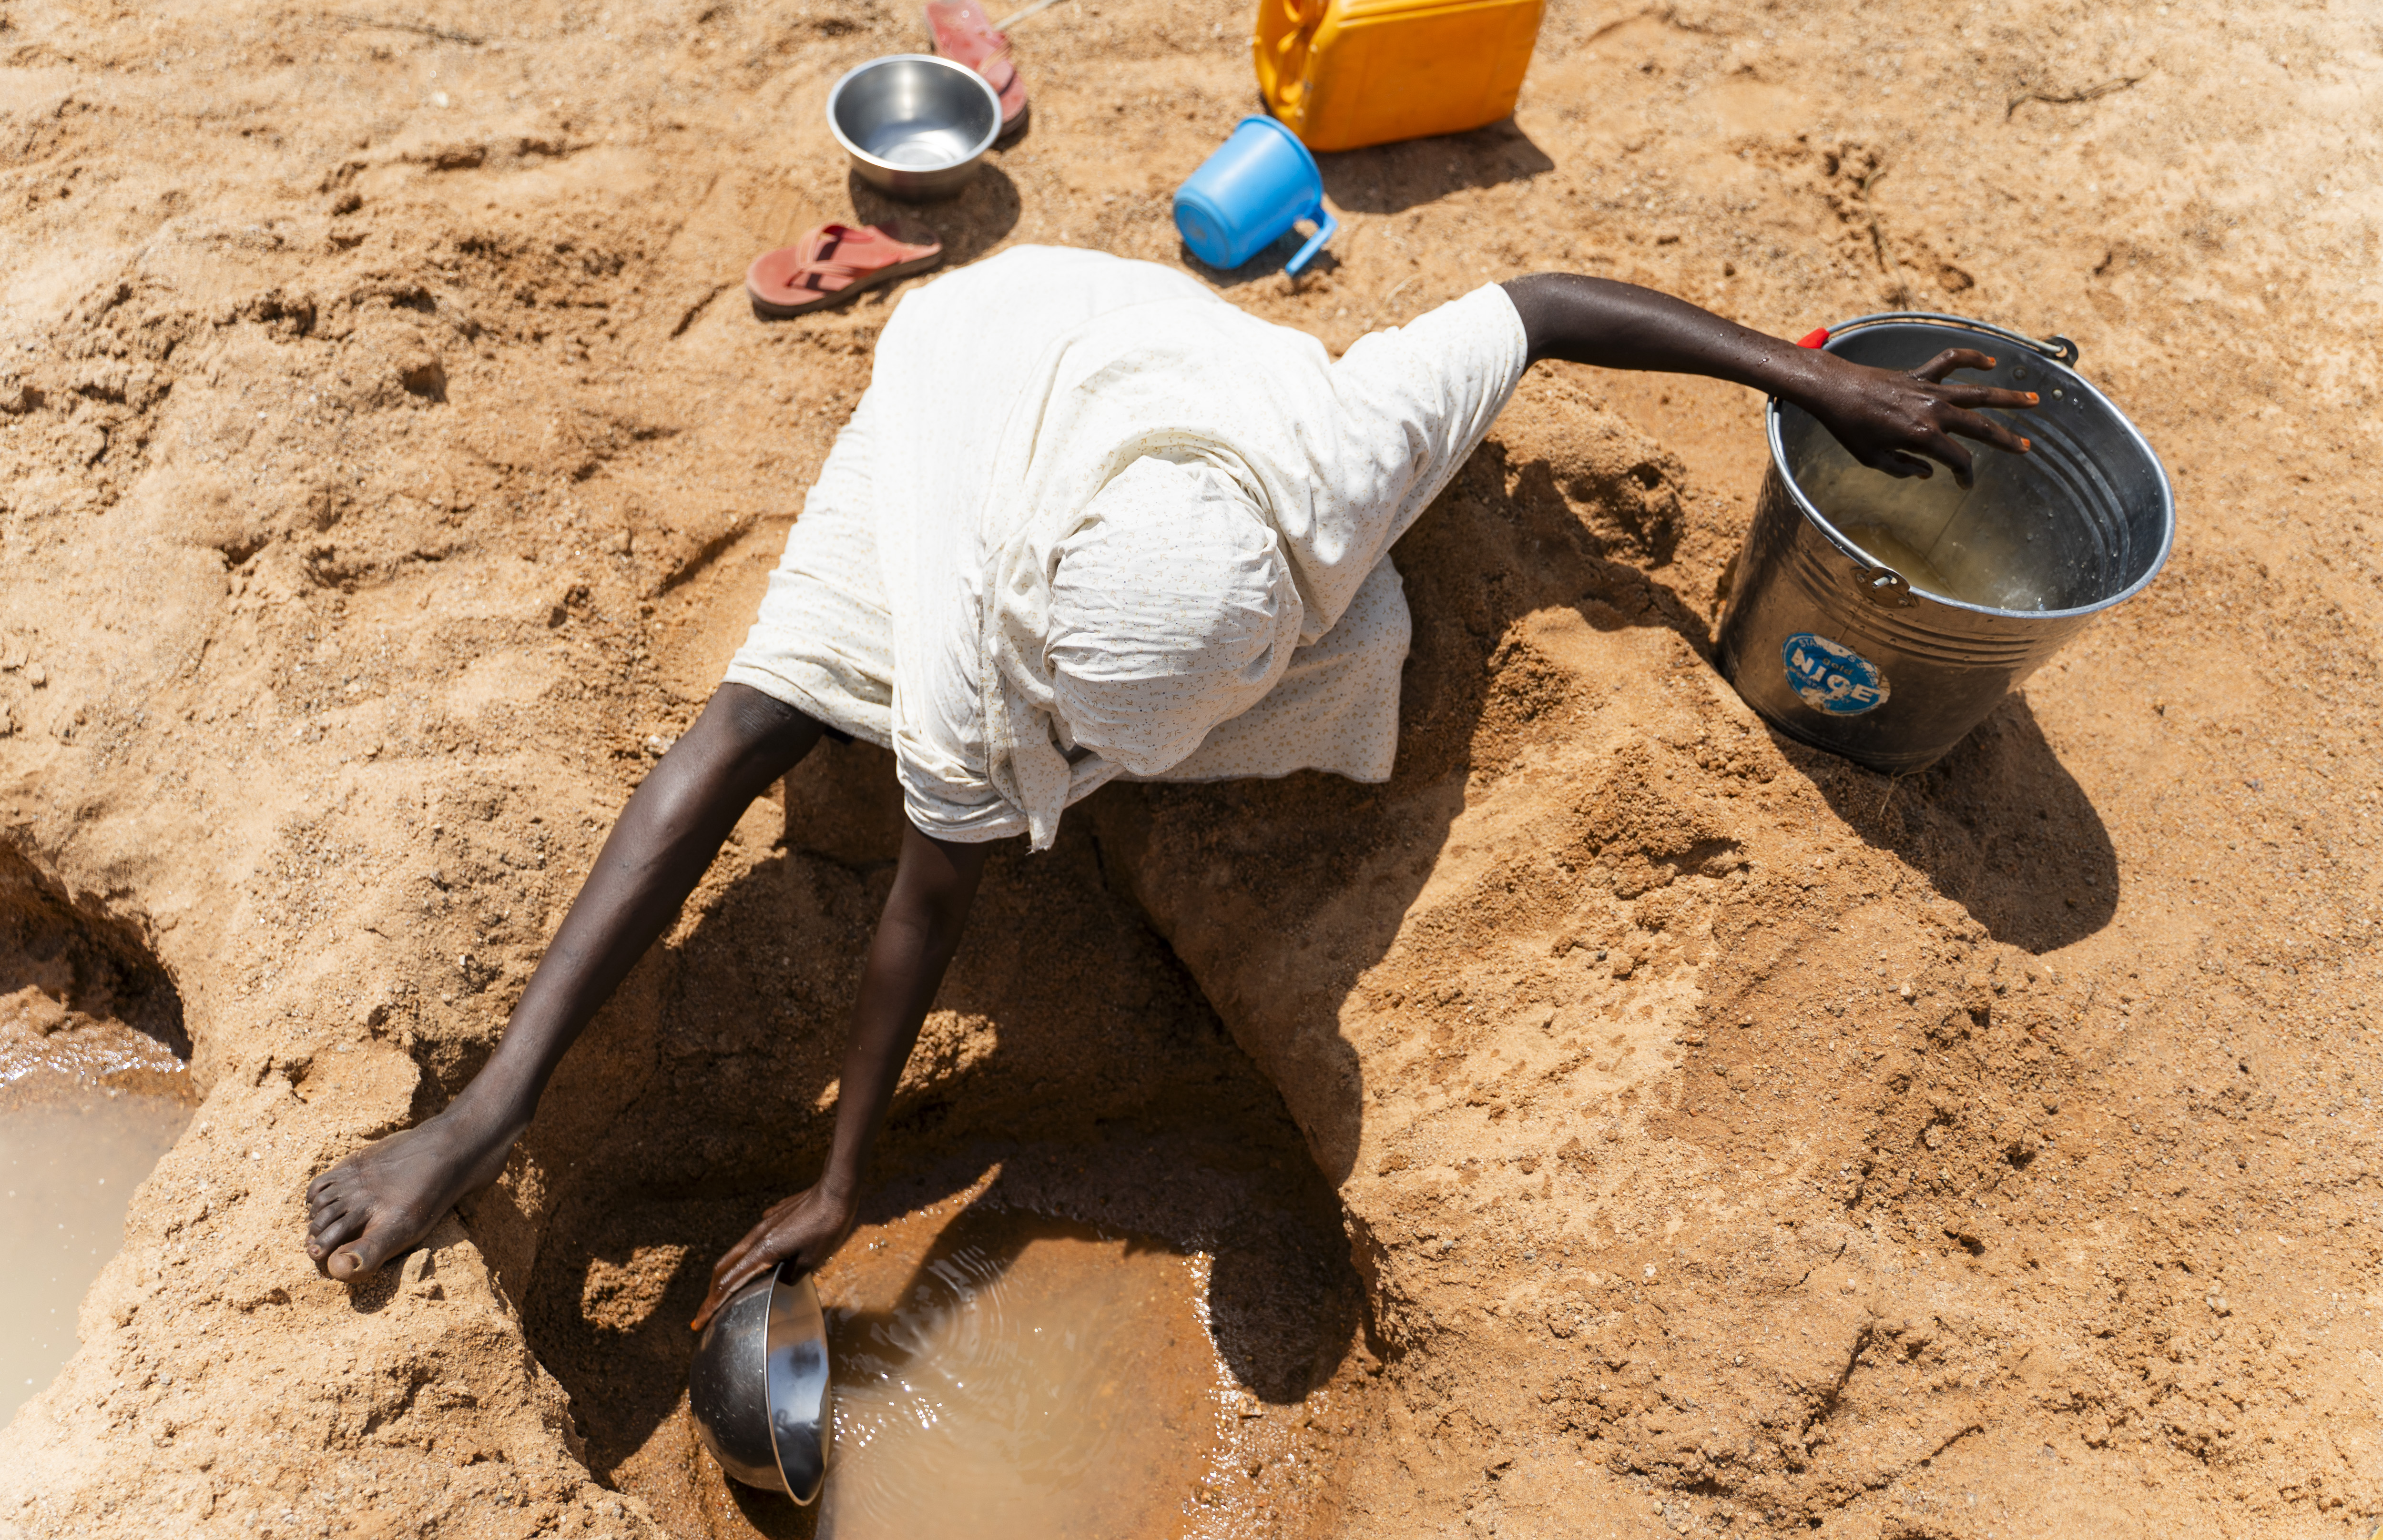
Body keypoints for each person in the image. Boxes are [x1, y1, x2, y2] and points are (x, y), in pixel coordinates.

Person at [302, 246, 2035, 1325]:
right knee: (770, 709)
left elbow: (1543, 307)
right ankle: (491, 1107)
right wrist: (836, 1178)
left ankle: (1196, 696)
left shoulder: (1336, 461)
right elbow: (913, 902)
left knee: (1370, 656)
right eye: (1078, 734)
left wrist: (1814, 375)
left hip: (1167, 383)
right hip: (972, 372)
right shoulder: (969, 646)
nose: (1093, 775)